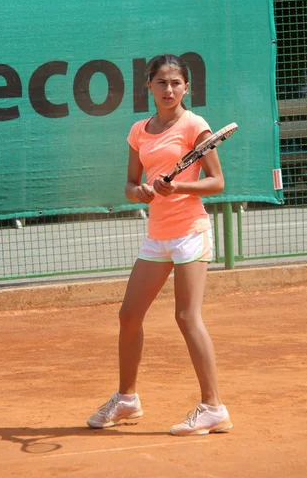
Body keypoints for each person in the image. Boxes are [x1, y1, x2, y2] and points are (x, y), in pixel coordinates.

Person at [87, 53, 232, 436]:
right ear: (147, 85)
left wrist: (178, 185)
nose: (169, 89)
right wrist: (145, 193)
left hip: (190, 231)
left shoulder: (195, 126)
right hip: (157, 235)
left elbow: (216, 182)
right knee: (129, 316)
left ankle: (213, 407)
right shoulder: (139, 131)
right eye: (161, 82)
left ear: (186, 87)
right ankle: (127, 399)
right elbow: (130, 185)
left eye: (176, 83)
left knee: (186, 317)